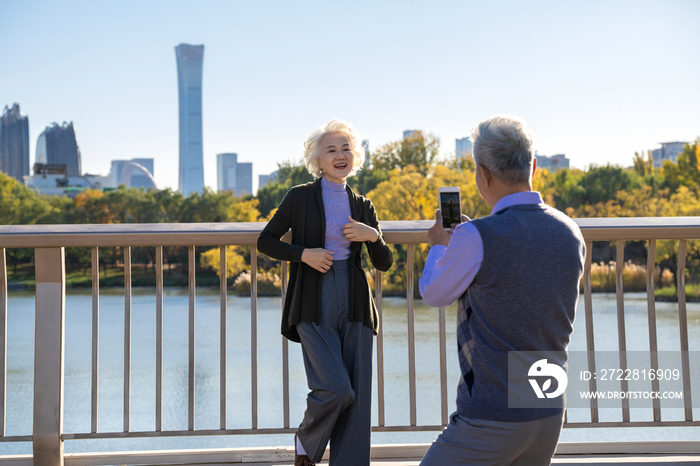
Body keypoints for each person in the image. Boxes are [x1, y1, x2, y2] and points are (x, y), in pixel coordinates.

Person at [419, 115, 585, 465]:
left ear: (483, 174)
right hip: (549, 408)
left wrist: (438, 245)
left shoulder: (477, 235)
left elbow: (434, 293)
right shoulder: (570, 232)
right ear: (534, 166)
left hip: (491, 417)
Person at [257, 119, 393, 466]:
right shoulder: (300, 196)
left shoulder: (363, 205)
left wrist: (372, 235)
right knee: (336, 389)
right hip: (312, 300)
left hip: (356, 301)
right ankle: (306, 443)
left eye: (346, 148)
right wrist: (303, 253)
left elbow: (384, 263)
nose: (340, 155)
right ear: (317, 160)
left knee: (358, 399)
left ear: (355, 156)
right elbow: (266, 241)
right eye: (331, 150)